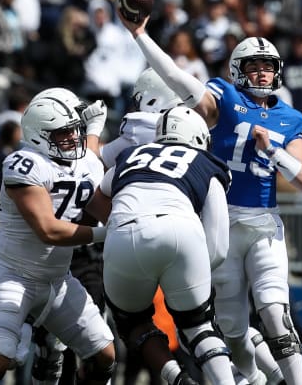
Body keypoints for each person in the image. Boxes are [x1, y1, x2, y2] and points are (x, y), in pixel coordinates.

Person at [119, 8, 302, 385]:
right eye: (254, 65)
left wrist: (275, 153)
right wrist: (140, 36)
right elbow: (178, 79)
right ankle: (260, 380)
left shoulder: (290, 118)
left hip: (263, 224)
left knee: (275, 313)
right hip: (221, 222)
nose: (262, 72)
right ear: (238, 69)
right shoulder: (223, 98)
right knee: (233, 330)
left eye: (267, 66)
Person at [0, 87, 116, 385]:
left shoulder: (85, 161)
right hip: (13, 274)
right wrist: (107, 235)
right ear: (39, 135)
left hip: (57, 278)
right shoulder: (24, 163)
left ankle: (42, 343)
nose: (73, 138)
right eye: (63, 133)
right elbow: (48, 230)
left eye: (75, 131)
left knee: (105, 355)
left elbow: (98, 187)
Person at [87, 108, 234, 385]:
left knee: (132, 323)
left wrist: (124, 229)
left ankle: (177, 379)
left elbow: (95, 199)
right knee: (199, 326)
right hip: (180, 231)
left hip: (123, 232)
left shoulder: (131, 155)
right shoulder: (206, 161)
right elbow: (218, 248)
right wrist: (188, 278)